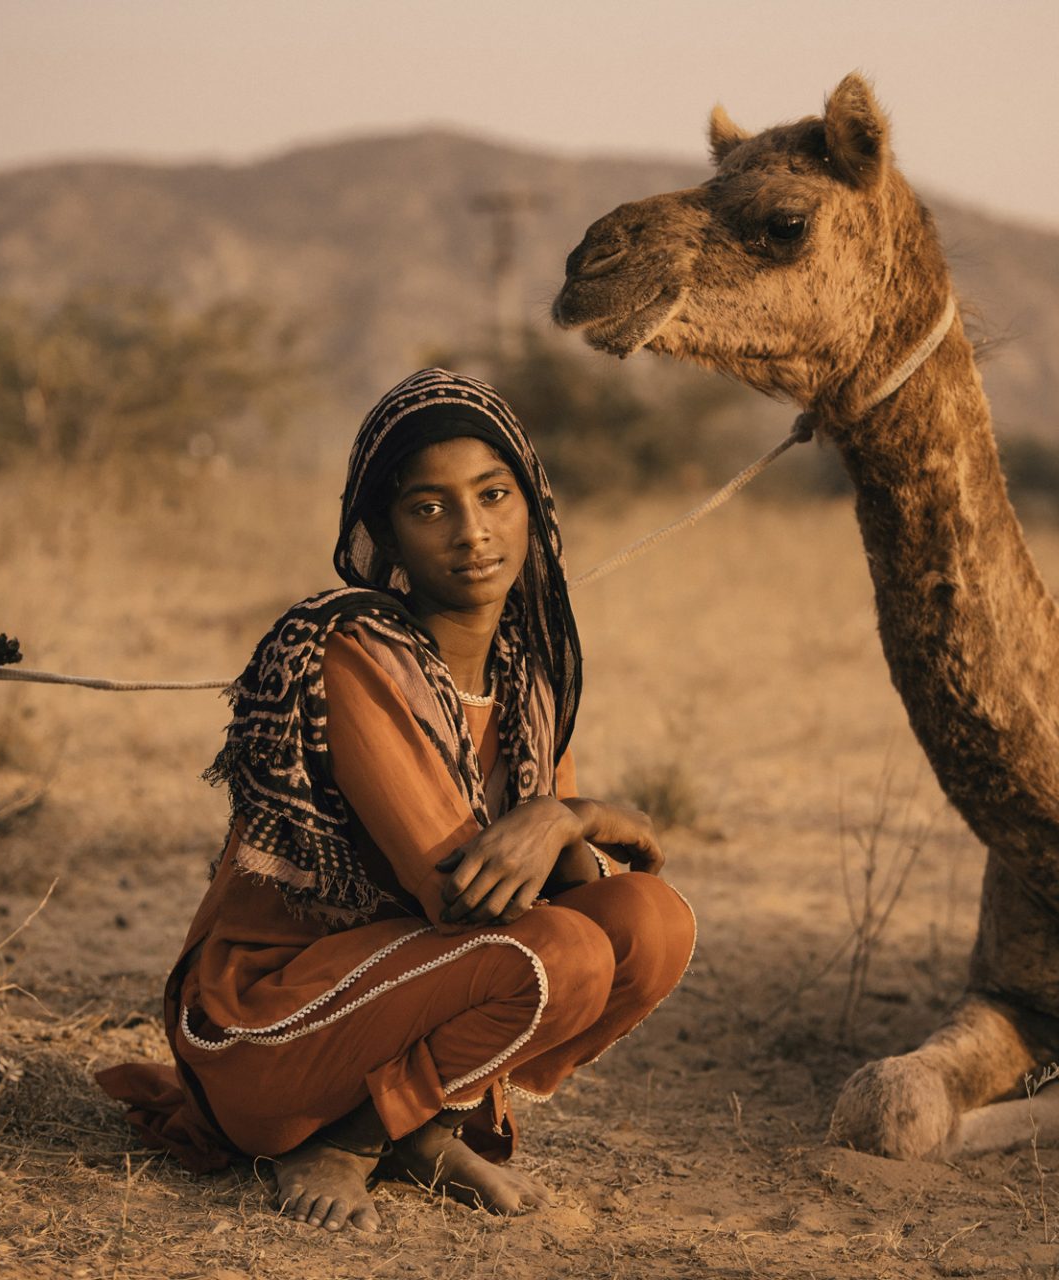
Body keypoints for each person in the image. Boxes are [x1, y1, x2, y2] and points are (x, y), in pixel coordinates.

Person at [96, 368, 696, 1232]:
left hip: (405, 987)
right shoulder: (357, 651)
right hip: (270, 1026)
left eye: (494, 495)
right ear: (384, 532)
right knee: (561, 950)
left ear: (533, 502)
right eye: (429, 508)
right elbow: (461, 898)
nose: (473, 533)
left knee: (652, 923)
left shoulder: (529, 674)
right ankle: (348, 1141)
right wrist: (575, 818)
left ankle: (421, 1124)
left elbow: (561, 876)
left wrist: (573, 818)